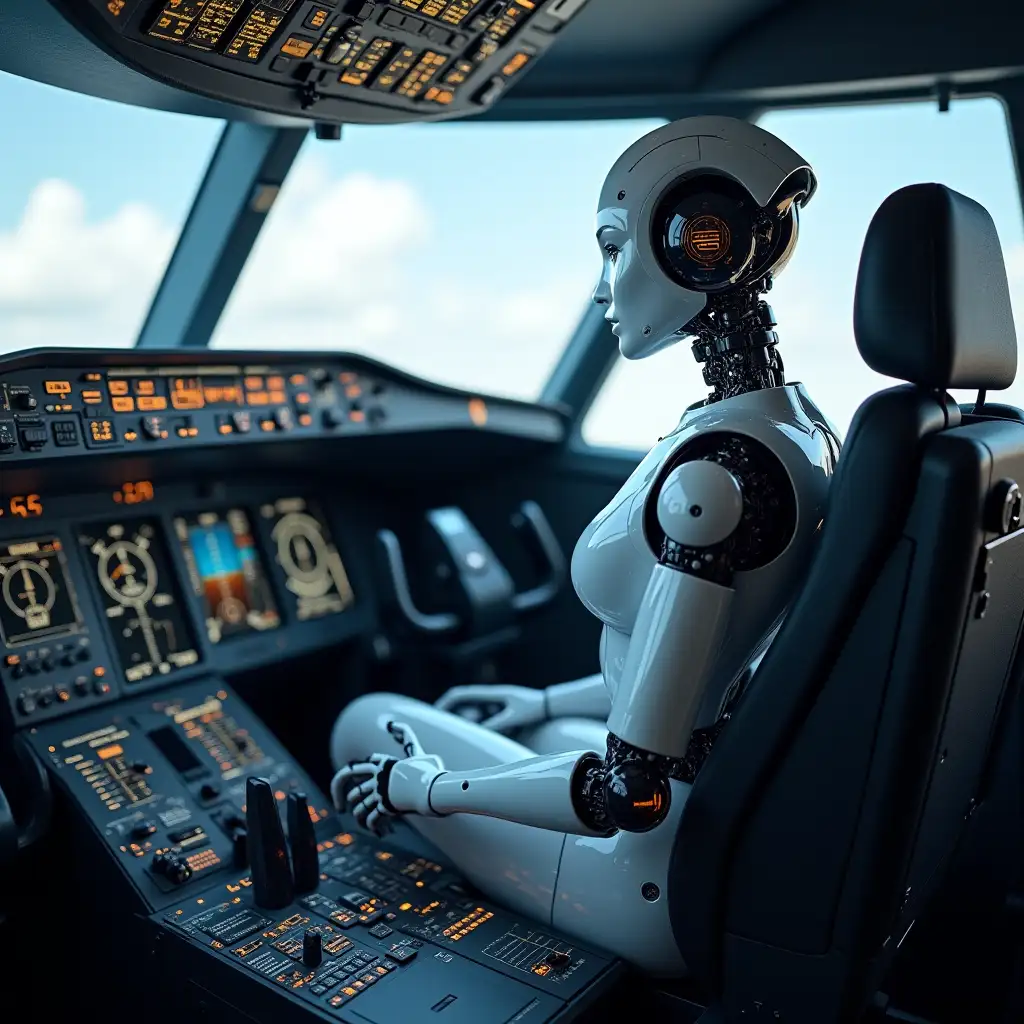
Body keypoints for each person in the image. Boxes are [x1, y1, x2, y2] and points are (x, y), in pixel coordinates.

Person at [330, 116, 838, 974]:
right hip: (715, 806)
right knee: (553, 723)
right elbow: (705, 666)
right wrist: (533, 703)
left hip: (644, 873)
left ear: (689, 247)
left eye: (613, 247)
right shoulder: (799, 429)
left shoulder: (716, 479)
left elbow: (625, 791)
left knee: (364, 727)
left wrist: (418, 789)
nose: (603, 287)